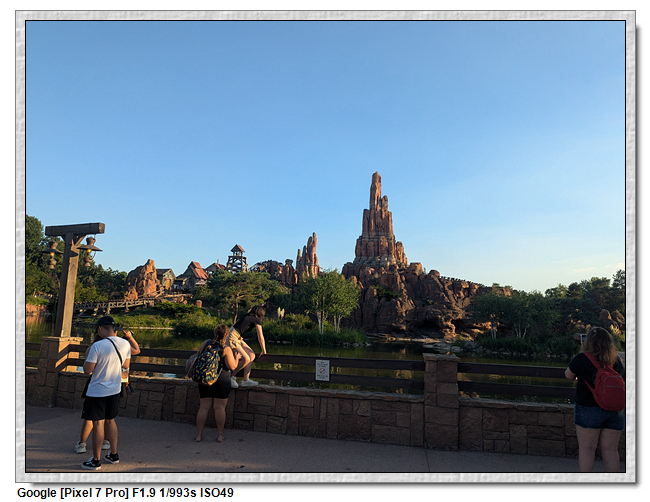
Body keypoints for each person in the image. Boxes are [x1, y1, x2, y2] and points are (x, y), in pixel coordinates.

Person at [565, 326, 625, 472]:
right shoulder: (616, 360)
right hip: (614, 410)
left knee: (587, 449)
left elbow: (568, 375)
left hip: (588, 409)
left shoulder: (582, 358)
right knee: (611, 450)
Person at [75, 328, 140, 454]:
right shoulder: (122, 345)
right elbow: (136, 350)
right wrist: (130, 337)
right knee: (109, 418)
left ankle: (82, 444)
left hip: (97, 383)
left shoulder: (95, 347)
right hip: (114, 384)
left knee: (91, 417)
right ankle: (106, 442)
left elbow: (87, 368)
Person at [80, 316, 132, 470]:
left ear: (100, 328)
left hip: (97, 390)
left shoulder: (97, 346)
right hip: (115, 389)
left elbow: (87, 370)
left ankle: (96, 461)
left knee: (98, 423)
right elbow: (126, 364)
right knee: (111, 421)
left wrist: (88, 360)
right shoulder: (125, 344)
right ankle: (114, 455)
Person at [195, 324, 240, 442]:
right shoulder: (226, 348)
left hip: (205, 379)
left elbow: (197, 355)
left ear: (215, 333)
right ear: (226, 335)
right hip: (221, 379)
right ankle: (220, 435)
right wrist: (237, 358)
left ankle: (199, 435)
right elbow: (232, 366)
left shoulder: (206, 343)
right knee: (219, 408)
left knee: (204, 407)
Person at [225, 304, 267, 388]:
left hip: (237, 337)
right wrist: (263, 350)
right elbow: (260, 337)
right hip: (232, 337)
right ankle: (231, 376)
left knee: (252, 355)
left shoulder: (248, 316)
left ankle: (245, 380)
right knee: (246, 359)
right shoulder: (256, 320)